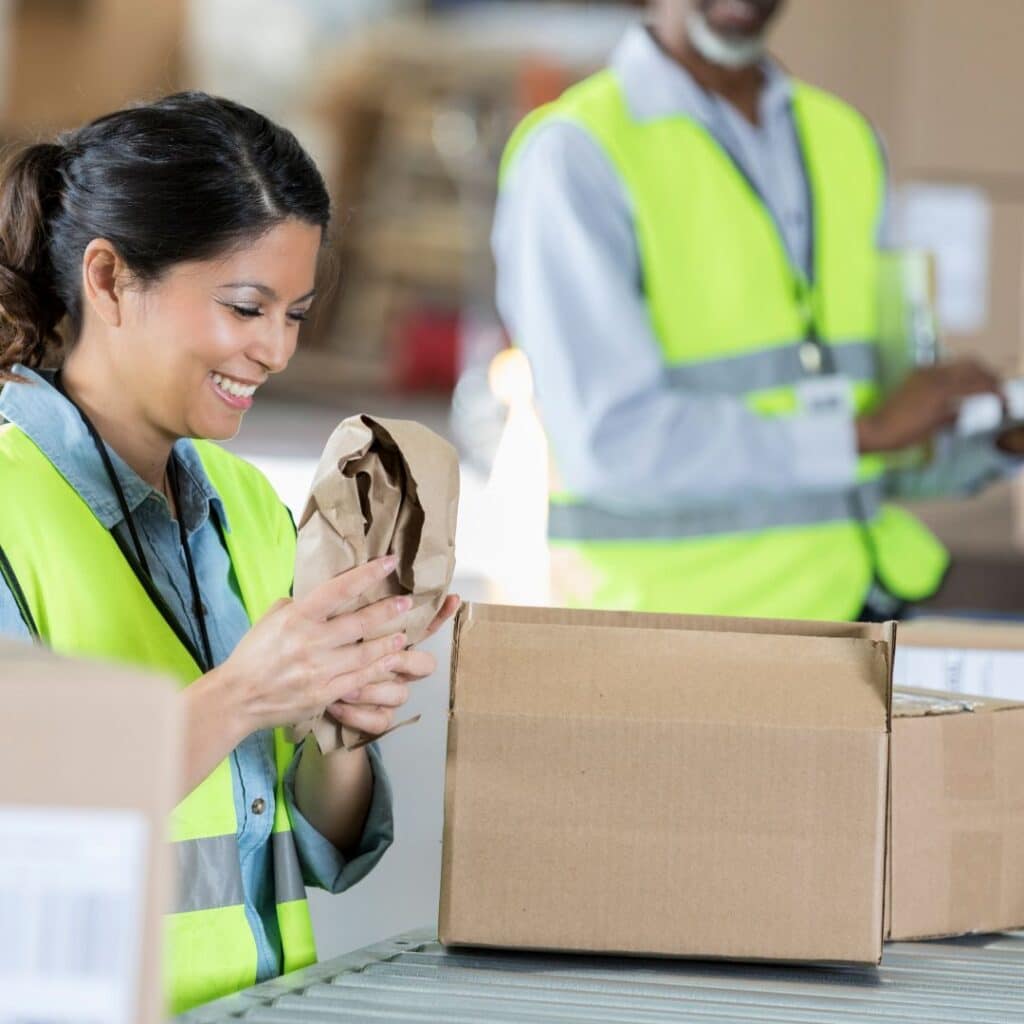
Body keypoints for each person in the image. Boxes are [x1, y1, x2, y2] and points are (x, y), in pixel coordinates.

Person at [0, 93, 459, 1014]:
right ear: (108, 278)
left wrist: (340, 731)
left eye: (295, 312)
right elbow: (26, 830)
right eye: (247, 307)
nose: (276, 349)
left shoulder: (248, 506)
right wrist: (244, 693)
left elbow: (311, 848)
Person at [493, 0, 1021, 621]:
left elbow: (874, 439)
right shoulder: (576, 157)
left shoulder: (844, 138)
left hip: (856, 613)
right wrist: (864, 434)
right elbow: (612, 445)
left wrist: (994, 438)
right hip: (673, 638)